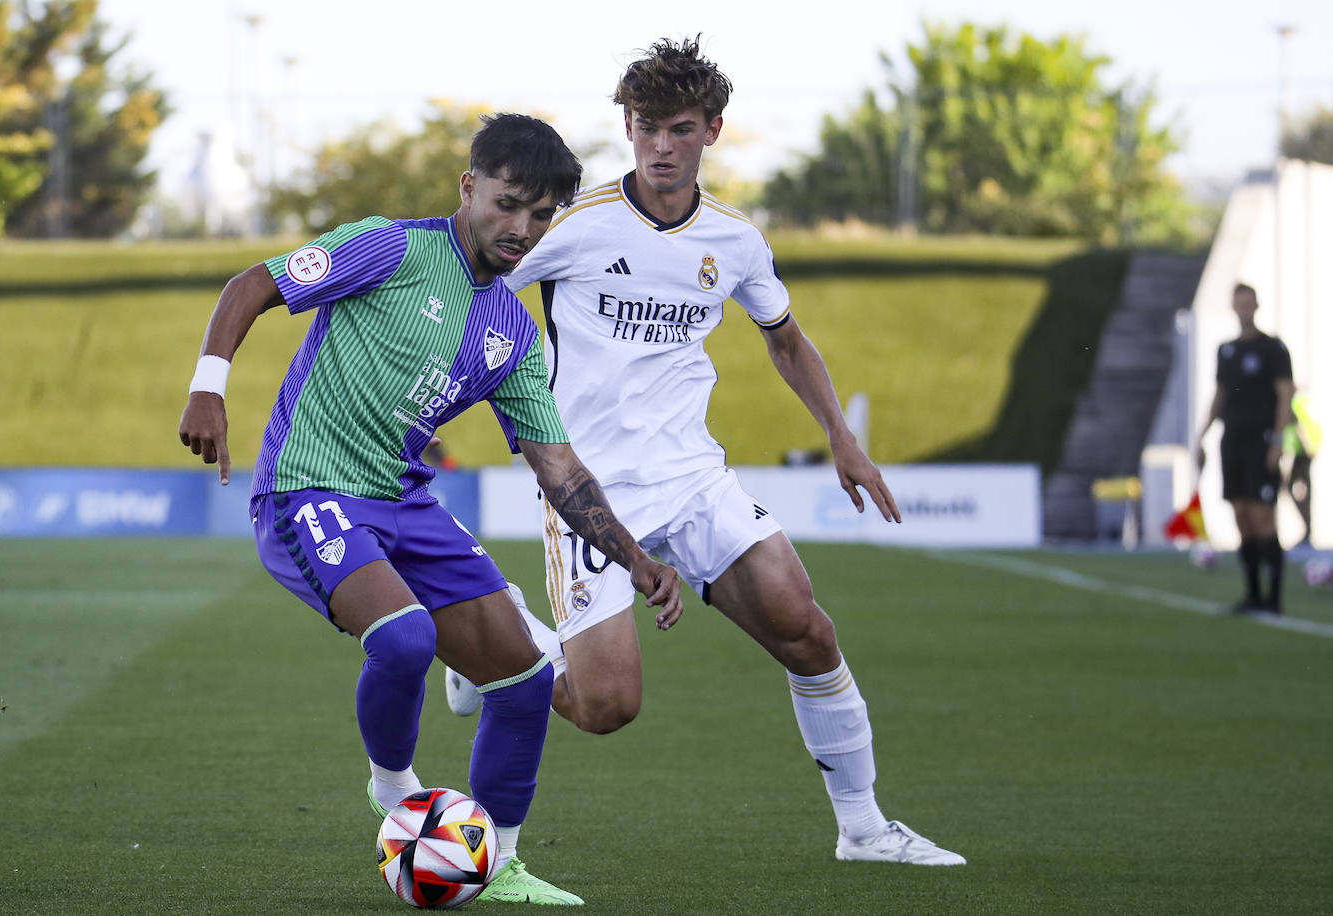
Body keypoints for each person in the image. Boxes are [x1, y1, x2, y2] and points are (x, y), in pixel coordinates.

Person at [446, 38, 964, 866]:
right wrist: (435, 400)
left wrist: (844, 439)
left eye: (677, 128)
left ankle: (864, 828)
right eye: (644, 125)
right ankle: (504, 643)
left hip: (695, 478)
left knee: (809, 631)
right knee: (606, 706)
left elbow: (786, 340)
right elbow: (468, 296)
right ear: (627, 125)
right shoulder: (570, 227)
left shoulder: (736, 241)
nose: (658, 145)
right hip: (589, 490)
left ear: (712, 132)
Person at [178, 113, 683, 907]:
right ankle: (394, 792)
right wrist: (209, 384)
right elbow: (255, 284)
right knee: (408, 638)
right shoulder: (392, 247)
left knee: (523, 680)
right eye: (508, 203)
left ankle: (500, 863)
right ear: (469, 186)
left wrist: (636, 558)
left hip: (405, 505)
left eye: (541, 215)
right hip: (306, 489)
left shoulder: (513, 332)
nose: (521, 229)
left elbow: (561, 468)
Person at [1195, 282, 1295, 613]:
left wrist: (1278, 441)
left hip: (1261, 441)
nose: (1244, 308)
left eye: (1248, 303)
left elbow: (1285, 395)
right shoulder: (1226, 351)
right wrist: (1201, 436)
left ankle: (1274, 598)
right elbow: (1219, 396)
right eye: (1239, 303)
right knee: (1240, 515)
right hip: (1232, 441)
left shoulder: (1273, 349)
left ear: (1256, 305)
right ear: (1233, 307)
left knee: (1263, 516)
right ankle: (1253, 594)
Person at [1283, 391, 1320, 547]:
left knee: (1298, 490)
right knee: (1297, 491)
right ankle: (1307, 528)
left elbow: (1300, 428)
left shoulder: (1295, 405)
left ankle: (1307, 529)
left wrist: (1307, 448)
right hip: (1303, 454)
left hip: (1303, 455)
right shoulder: (1300, 403)